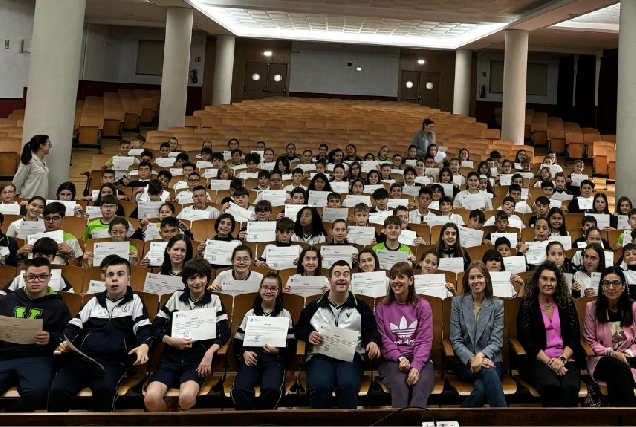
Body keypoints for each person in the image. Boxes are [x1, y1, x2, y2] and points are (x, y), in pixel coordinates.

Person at [48, 256, 152, 412]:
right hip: (83, 358)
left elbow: (143, 327)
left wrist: (144, 345)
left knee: (105, 390)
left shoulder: (135, 301)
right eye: (110, 275)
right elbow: (74, 324)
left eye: (120, 274)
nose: (114, 279)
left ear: (128, 279)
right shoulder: (94, 301)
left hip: (112, 361)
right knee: (57, 390)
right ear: (105, 279)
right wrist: (65, 341)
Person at [144, 258, 230, 412]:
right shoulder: (176, 298)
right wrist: (170, 341)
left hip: (197, 360)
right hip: (170, 358)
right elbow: (155, 327)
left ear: (207, 279)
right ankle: (171, 420)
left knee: (186, 398)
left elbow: (225, 332)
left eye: (201, 277)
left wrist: (210, 353)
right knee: (150, 399)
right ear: (185, 281)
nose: (197, 282)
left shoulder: (215, 300)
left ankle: (178, 412)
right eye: (192, 278)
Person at [295, 260, 381, 409]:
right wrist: (308, 334)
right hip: (320, 357)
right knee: (319, 386)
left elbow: (372, 330)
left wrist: (373, 341)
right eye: (337, 274)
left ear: (350, 280)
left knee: (348, 386)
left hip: (351, 357)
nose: (342, 278)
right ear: (329, 280)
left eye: (346, 275)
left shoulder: (361, 306)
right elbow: (298, 329)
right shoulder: (314, 306)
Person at [0, 257, 71, 412]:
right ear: (25, 278)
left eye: (42, 276)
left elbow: (66, 335)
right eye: (31, 276)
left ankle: (10, 419)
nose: (36, 280)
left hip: (38, 357)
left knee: (37, 393)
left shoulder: (58, 305)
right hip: (5, 355)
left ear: (49, 278)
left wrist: (50, 338)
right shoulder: (9, 300)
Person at [516, 260, 584, 407]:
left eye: (553, 280)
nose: (548, 283)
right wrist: (550, 362)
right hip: (538, 359)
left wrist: (562, 359)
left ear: (558, 283)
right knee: (550, 385)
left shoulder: (566, 303)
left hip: (566, 358)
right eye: (544, 279)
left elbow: (574, 337)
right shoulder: (528, 305)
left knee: (570, 387)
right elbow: (527, 341)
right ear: (536, 282)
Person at [231, 274, 296, 410]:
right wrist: (244, 354)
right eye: (265, 287)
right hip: (251, 360)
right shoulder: (250, 314)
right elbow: (237, 340)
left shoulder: (285, 315)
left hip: (274, 360)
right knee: (239, 390)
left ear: (279, 291)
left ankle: (263, 418)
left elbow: (292, 345)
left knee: (272, 389)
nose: (268, 291)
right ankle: (249, 421)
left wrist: (278, 351)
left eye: (273, 288)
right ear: (260, 289)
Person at [375, 262, 435, 408]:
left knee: (419, 388)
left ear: (411, 280)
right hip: (392, 361)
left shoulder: (423, 306)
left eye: (401, 277)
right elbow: (383, 339)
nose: (396, 281)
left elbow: (424, 341)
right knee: (401, 388)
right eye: (393, 277)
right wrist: (400, 358)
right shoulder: (381, 307)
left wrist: (415, 366)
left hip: (421, 359)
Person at [450, 262, 507, 407]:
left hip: (492, 359)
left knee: (482, 389)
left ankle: (457, 418)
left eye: (480, 277)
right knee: (489, 373)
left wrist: (481, 356)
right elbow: (455, 340)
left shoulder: (497, 305)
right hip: (464, 363)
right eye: (472, 278)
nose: (476, 281)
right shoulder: (458, 303)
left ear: (486, 279)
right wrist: (471, 359)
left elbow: (496, 341)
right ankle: (506, 420)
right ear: (467, 281)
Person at [583, 266, 636, 407]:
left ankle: (620, 417)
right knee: (615, 365)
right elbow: (590, 341)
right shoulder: (592, 308)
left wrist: (627, 353)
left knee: (618, 375)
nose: (611, 287)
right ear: (601, 286)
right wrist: (612, 353)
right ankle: (631, 415)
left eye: (615, 283)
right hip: (602, 359)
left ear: (623, 286)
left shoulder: (633, 308)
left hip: (629, 358)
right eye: (606, 283)